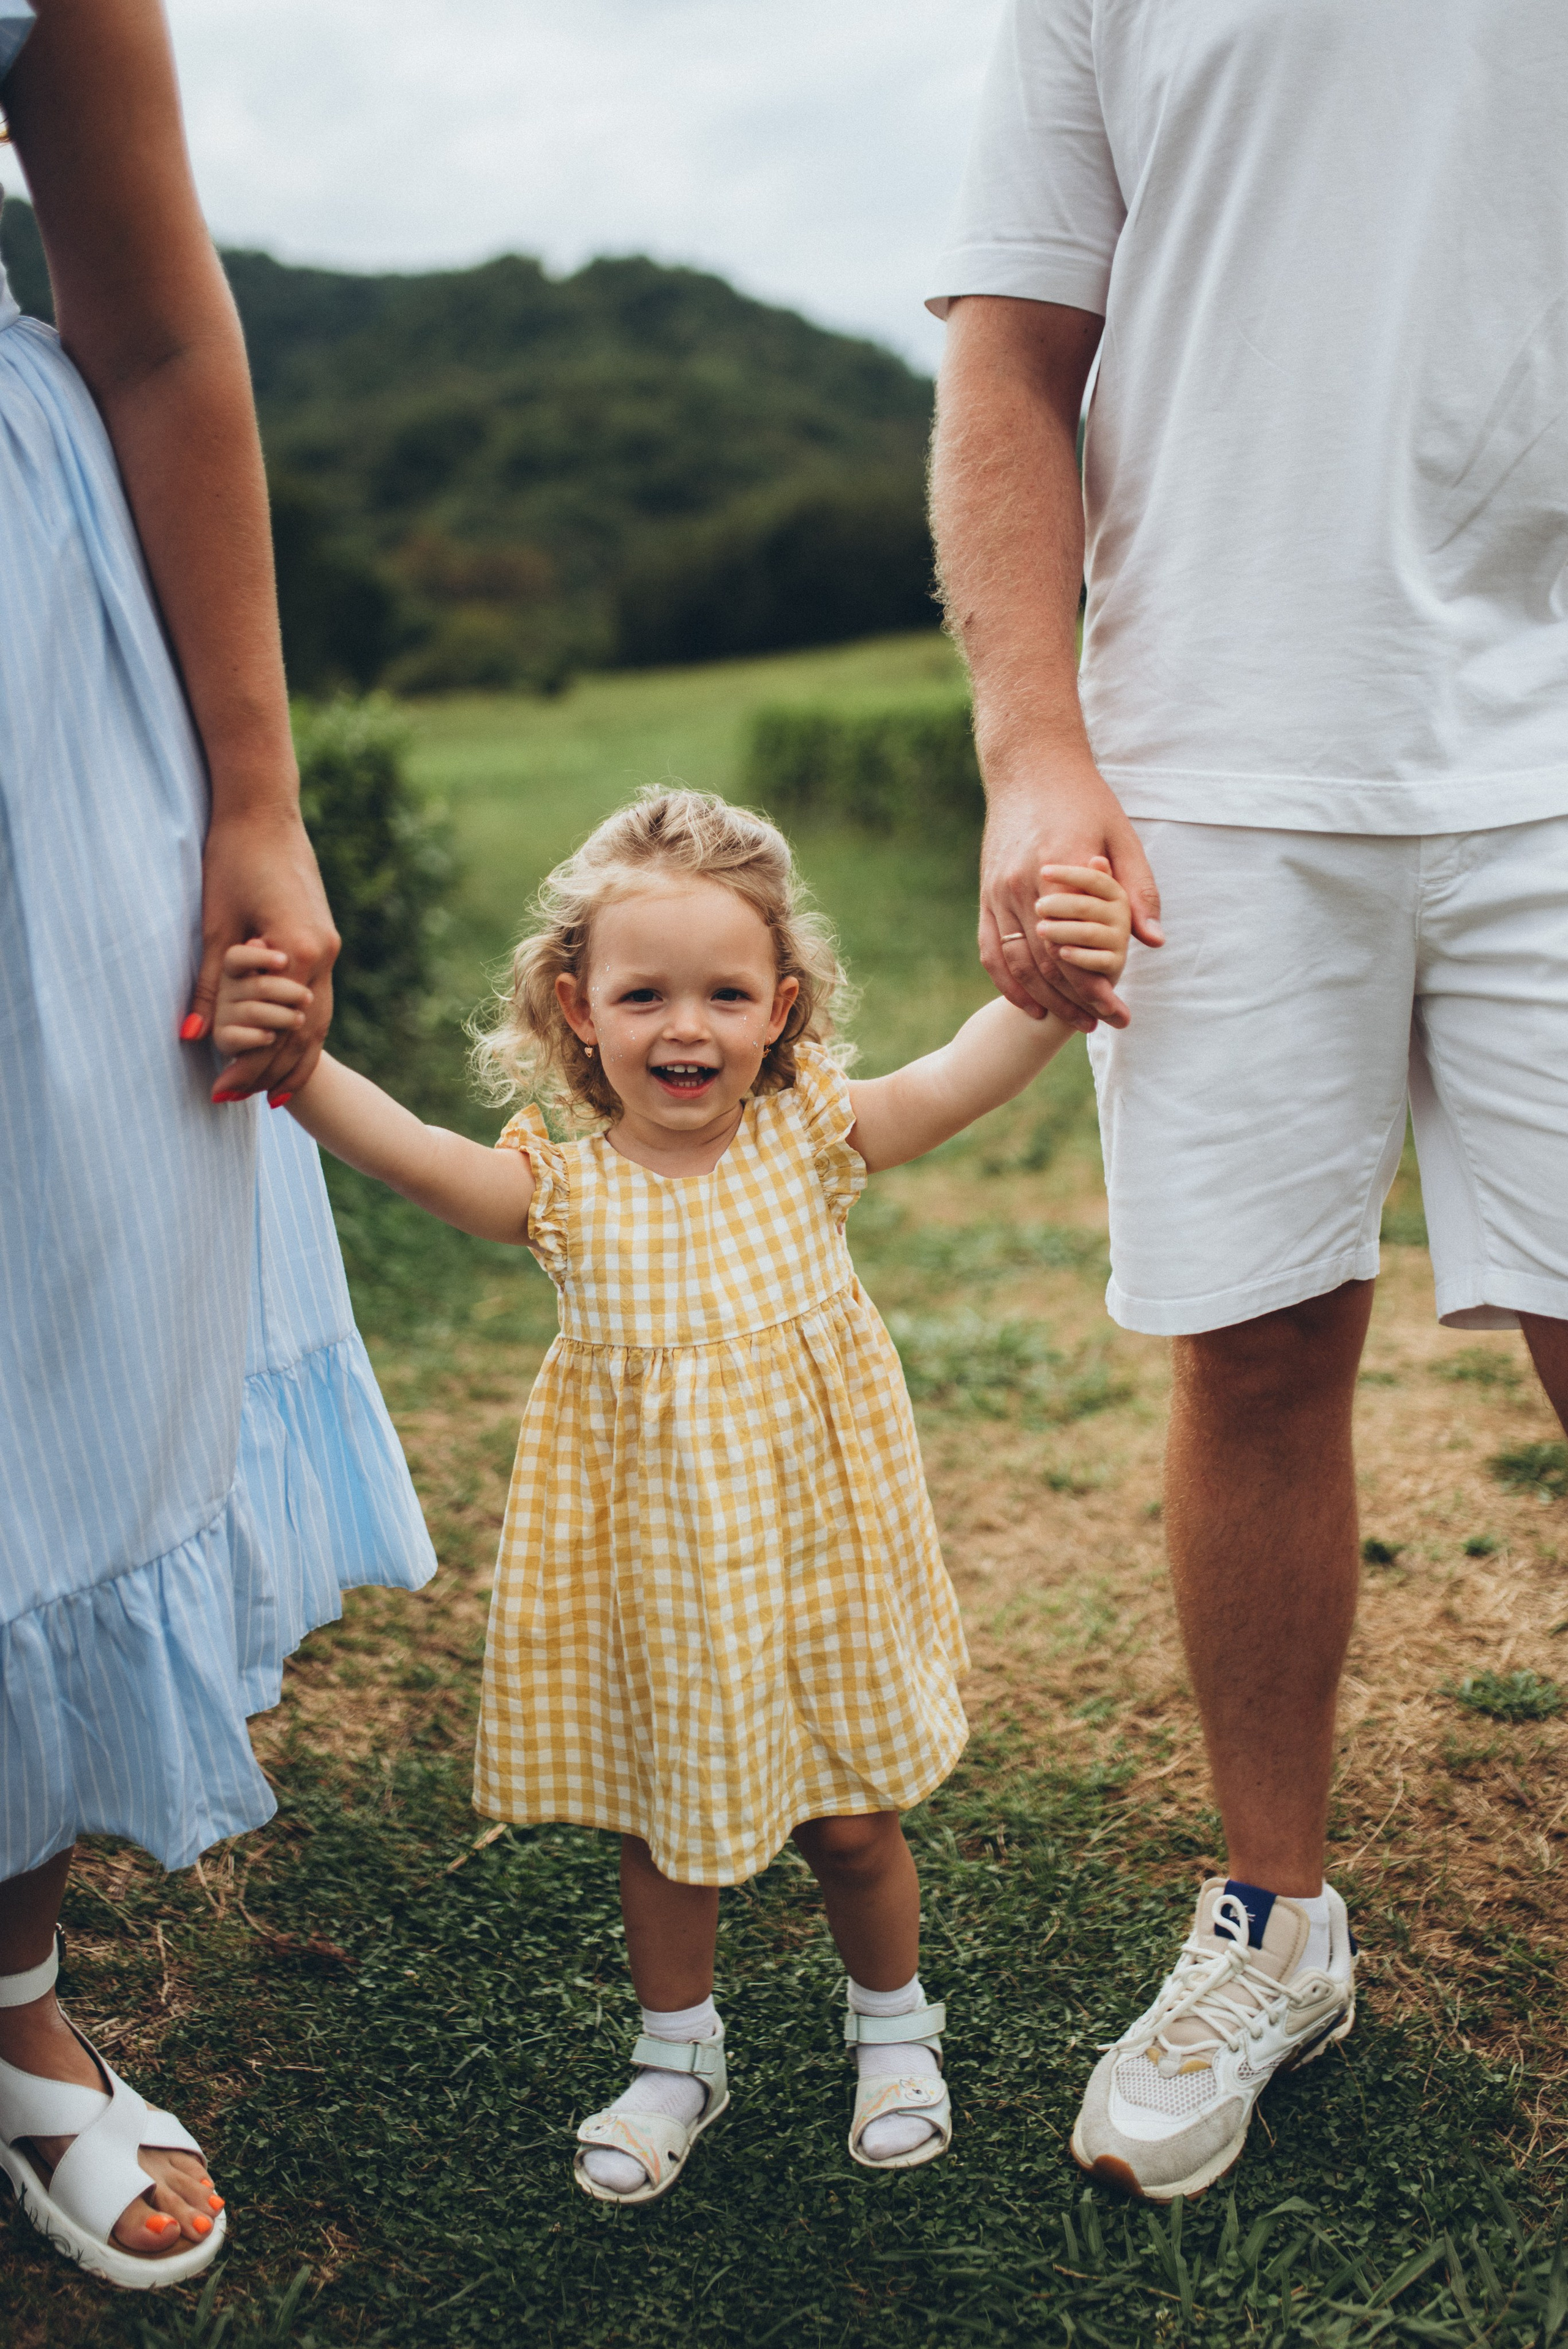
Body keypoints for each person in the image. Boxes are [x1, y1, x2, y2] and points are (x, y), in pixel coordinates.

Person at [925, 0, 1568, 2206]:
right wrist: (1036, 753)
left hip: (1556, 743)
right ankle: (1274, 1921)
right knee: (1265, 1339)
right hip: (1206, 753)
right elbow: (1012, 349)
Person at [211, 787, 1133, 2203]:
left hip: (820, 1547)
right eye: (643, 994)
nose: (683, 1028)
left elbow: (955, 1073)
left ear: (782, 1009)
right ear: (577, 1009)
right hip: (662, 1568)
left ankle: (893, 2032)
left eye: (723, 993)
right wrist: (301, 1066)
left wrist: (1054, 998)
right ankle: (673, 2055)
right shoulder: (561, 1191)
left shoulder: (816, 1137)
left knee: (851, 1814)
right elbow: (410, 1154)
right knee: (666, 1822)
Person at [0, 0, 434, 2290]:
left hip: (20, 676)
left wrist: (254, 803)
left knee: (34, 1322)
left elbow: (155, 326)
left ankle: (13, 2009)